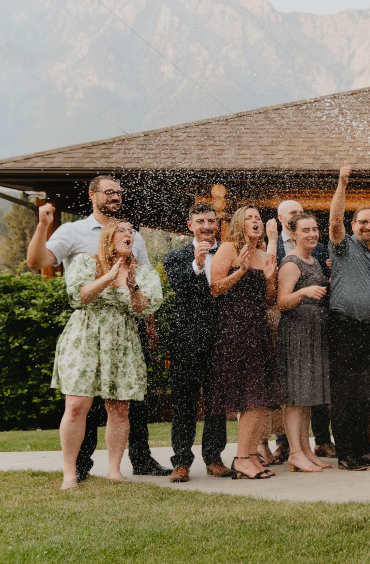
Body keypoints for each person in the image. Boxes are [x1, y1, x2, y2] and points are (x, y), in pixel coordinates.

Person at [27, 178, 168, 478]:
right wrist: (42, 226)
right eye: (110, 192)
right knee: (81, 404)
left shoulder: (134, 237)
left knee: (126, 405)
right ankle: (78, 467)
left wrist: (150, 326)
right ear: (92, 195)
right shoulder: (73, 232)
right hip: (88, 330)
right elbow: (37, 261)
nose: (116, 196)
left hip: (125, 331)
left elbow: (142, 285)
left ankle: (136, 460)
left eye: (119, 192)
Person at [50, 220, 163, 489]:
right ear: (107, 237)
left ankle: (114, 470)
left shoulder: (142, 271)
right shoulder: (86, 262)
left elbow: (142, 309)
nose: (128, 234)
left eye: (131, 232)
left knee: (120, 408)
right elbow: (79, 298)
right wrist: (108, 277)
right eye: (121, 231)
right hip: (85, 337)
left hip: (122, 340)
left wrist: (133, 285)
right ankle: (69, 472)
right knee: (76, 406)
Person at [207, 206, 281, 480]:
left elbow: (269, 298)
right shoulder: (229, 248)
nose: (255, 221)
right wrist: (241, 269)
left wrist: (270, 279)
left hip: (257, 327)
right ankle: (240, 459)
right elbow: (215, 288)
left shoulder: (264, 255)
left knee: (260, 398)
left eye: (258, 218)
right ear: (240, 223)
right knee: (250, 397)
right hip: (234, 327)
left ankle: (250, 456)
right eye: (249, 218)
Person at [162, 202, 231, 483]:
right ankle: (181, 462)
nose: (206, 226)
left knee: (217, 401)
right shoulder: (174, 256)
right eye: (200, 221)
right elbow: (180, 288)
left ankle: (214, 458)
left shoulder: (228, 253)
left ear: (217, 224)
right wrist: (197, 265)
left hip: (220, 336)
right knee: (185, 402)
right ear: (190, 225)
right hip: (186, 339)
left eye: (211, 221)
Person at [326, 166, 370, 471]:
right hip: (345, 328)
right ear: (353, 225)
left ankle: (365, 449)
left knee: (366, 393)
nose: (368, 226)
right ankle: (346, 453)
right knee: (345, 393)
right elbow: (333, 220)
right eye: (363, 221)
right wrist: (342, 183)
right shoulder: (343, 245)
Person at [274, 198, 333, 459]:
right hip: (297, 334)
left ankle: (307, 450)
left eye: (315, 229)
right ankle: (295, 453)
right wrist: (304, 292)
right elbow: (282, 302)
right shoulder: (291, 262)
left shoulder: (314, 261)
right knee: (296, 397)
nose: (312, 234)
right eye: (305, 230)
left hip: (314, 334)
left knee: (307, 397)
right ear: (294, 234)